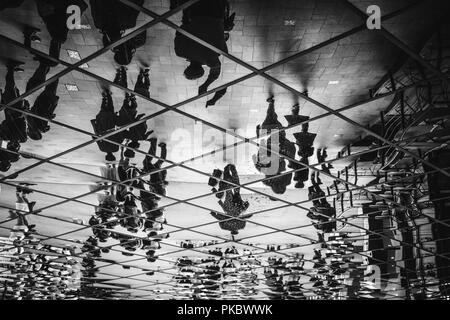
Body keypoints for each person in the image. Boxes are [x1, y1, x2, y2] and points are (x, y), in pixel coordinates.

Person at [174, 0, 235, 107]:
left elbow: (215, 73)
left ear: (202, 68)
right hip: (196, 13)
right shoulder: (180, 51)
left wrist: (205, 85)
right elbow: (181, 30)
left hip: (217, 15)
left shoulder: (210, 59)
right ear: (188, 66)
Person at [90, 0, 146, 66]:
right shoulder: (100, 25)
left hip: (122, 18)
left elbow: (143, 28)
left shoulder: (137, 38)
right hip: (109, 18)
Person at [209, 164, 251, 236]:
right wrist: (214, 214)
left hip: (237, 207)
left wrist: (247, 211)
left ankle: (232, 170)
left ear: (236, 231)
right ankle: (227, 171)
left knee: (236, 190)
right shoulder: (226, 226)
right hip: (229, 207)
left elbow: (243, 218)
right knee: (229, 191)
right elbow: (221, 218)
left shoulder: (240, 226)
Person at [91, 90, 124, 161]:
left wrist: (118, 131)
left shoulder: (115, 149)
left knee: (111, 109)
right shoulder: (102, 149)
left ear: (113, 156)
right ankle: (104, 98)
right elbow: (96, 140)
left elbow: (119, 139)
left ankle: (109, 96)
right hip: (102, 128)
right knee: (103, 110)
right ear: (106, 156)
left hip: (111, 127)